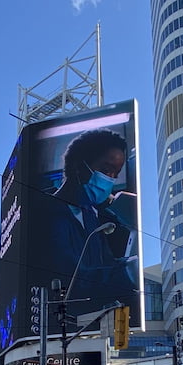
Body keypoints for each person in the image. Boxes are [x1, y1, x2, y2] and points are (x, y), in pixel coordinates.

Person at [34, 128, 138, 317]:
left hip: (93, 321)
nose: (110, 180)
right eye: (106, 170)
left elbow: (105, 264)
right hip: (63, 323)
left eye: (115, 174)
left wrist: (128, 263)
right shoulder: (46, 215)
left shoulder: (91, 216)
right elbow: (72, 281)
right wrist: (129, 272)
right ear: (78, 167)